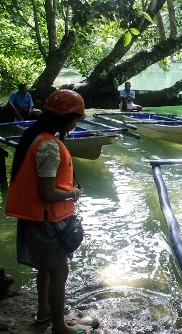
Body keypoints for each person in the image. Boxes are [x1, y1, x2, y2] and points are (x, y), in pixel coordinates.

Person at [4, 89, 86, 334]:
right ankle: (60, 327)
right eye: (75, 119)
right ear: (65, 118)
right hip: (45, 220)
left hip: (39, 218)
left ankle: (44, 311)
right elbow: (47, 193)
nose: (74, 124)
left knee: (46, 269)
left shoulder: (34, 137)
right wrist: (73, 193)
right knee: (60, 271)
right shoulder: (49, 147)